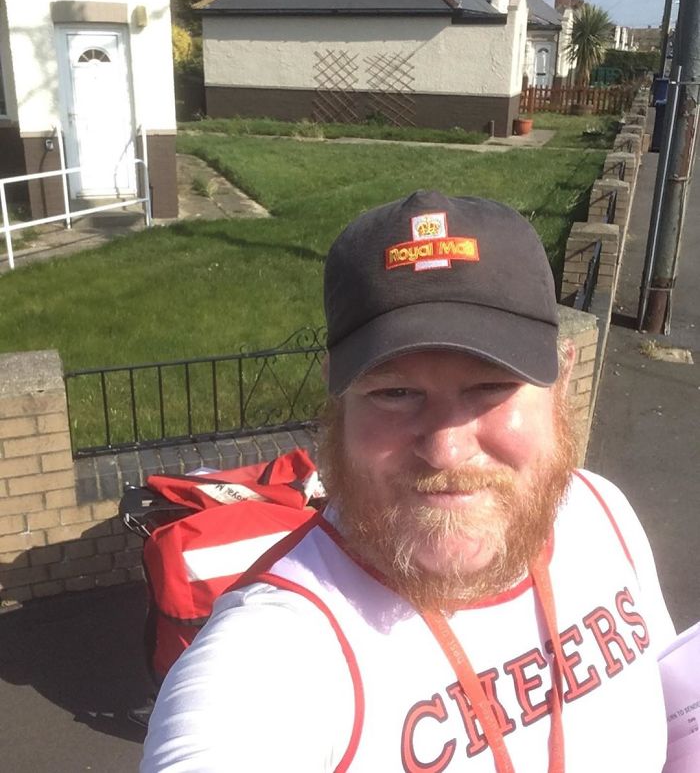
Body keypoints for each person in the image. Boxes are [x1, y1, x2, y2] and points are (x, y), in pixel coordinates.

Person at [142, 190, 675, 772]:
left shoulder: (602, 513)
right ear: (338, 398)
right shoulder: (273, 654)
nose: (446, 448)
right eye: (395, 393)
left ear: (563, 377)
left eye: (489, 387)